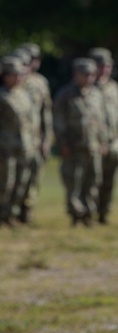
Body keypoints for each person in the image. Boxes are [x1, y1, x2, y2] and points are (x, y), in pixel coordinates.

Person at [53, 57, 105, 226]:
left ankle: (89, 214)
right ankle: (76, 215)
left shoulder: (96, 94)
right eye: (85, 74)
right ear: (76, 74)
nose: (89, 77)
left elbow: (101, 121)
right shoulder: (65, 95)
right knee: (73, 182)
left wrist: (103, 141)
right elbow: (58, 122)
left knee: (92, 181)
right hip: (73, 147)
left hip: (93, 146)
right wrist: (63, 144)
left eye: (92, 74)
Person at [13, 43, 52, 224]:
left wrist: (46, 139)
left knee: (33, 178)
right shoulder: (10, 84)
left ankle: (26, 211)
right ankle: (10, 211)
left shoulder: (40, 83)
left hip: (36, 140)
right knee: (12, 178)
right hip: (13, 141)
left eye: (32, 61)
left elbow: (45, 113)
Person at [0, 54, 36, 228]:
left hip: (24, 146)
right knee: (5, 183)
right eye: (14, 74)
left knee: (21, 182)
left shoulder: (24, 95)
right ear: (5, 75)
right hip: (5, 148)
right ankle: (2, 215)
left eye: (20, 74)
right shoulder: (1, 96)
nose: (19, 78)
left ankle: (12, 214)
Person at [89, 49, 118, 224]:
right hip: (95, 143)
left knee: (110, 180)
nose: (105, 69)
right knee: (94, 180)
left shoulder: (114, 88)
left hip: (114, 142)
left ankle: (105, 213)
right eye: (101, 65)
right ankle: (90, 213)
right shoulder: (88, 88)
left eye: (108, 66)